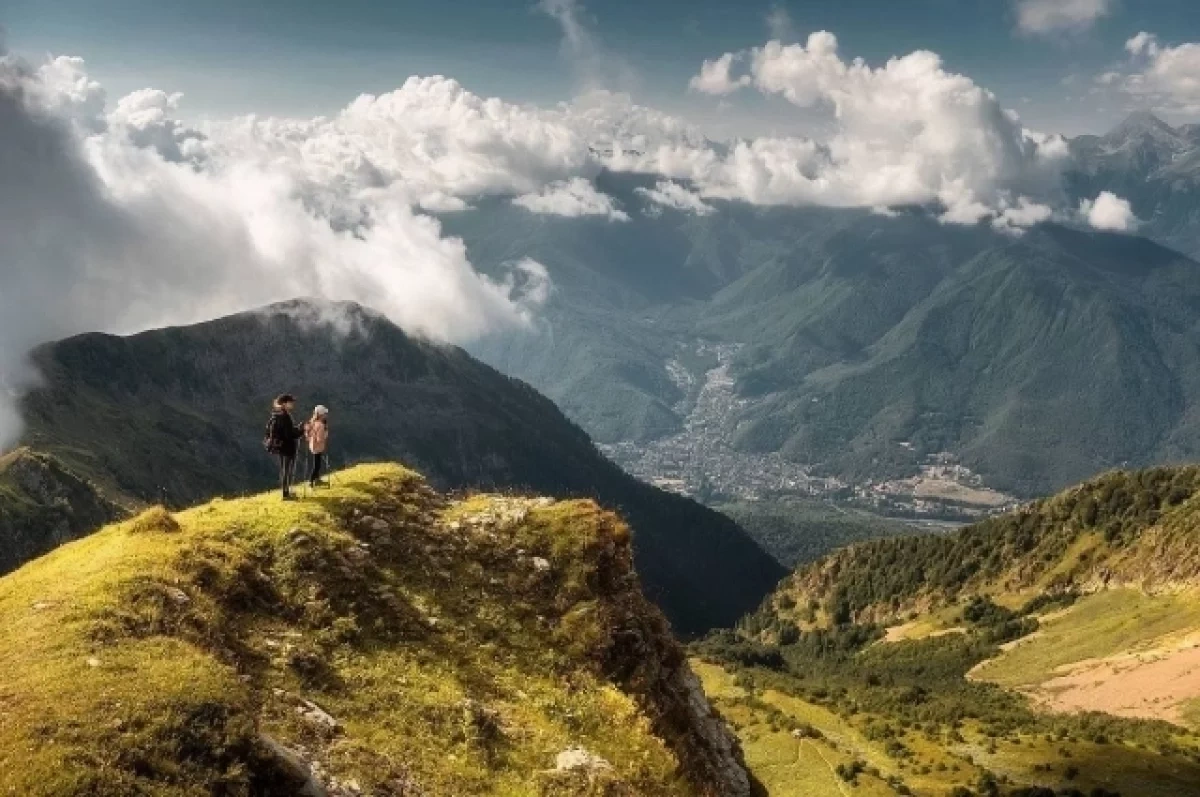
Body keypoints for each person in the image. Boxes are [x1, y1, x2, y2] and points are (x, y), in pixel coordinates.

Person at [264, 394, 305, 500]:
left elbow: (287, 431)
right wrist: (302, 431)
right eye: (290, 402)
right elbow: (289, 435)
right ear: (284, 404)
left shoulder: (279, 415)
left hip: (281, 448)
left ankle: (286, 493)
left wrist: (297, 428)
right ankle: (286, 495)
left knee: (284, 470)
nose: (292, 404)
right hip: (288, 448)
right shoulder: (286, 417)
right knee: (287, 471)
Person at [305, 405, 330, 488]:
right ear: (321, 415)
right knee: (317, 465)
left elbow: (308, 435)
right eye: (324, 414)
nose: (326, 415)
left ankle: (317, 479)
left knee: (317, 463)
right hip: (318, 447)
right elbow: (320, 439)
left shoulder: (312, 423)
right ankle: (311, 481)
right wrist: (325, 433)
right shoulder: (321, 425)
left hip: (312, 446)